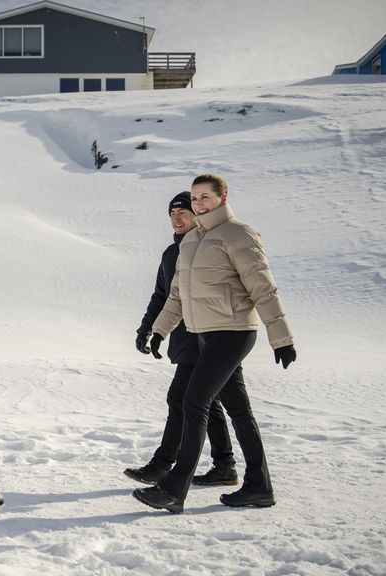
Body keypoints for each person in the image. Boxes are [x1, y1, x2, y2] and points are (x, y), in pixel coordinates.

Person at [133, 174, 297, 514]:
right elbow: (176, 295)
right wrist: (160, 331)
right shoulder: (191, 241)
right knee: (239, 411)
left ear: (222, 198)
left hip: (234, 332)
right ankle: (259, 486)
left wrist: (281, 338)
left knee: (194, 402)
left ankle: (174, 489)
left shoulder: (238, 234)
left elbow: (262, 287)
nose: (198, 204)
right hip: (204, 334)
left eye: (204, 197)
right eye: (194, 198)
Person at [125, 191, 238, 487]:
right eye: (172, 214)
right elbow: (162, 295)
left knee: (180, 397)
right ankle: (224, 465)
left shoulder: (206, 247)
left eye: (182, 213)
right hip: (183, 336)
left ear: (197, 215)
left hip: (206, 334)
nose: (176, 219)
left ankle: (163, 464)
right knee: (207, 402)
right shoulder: (170, 254)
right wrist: (146, 329)